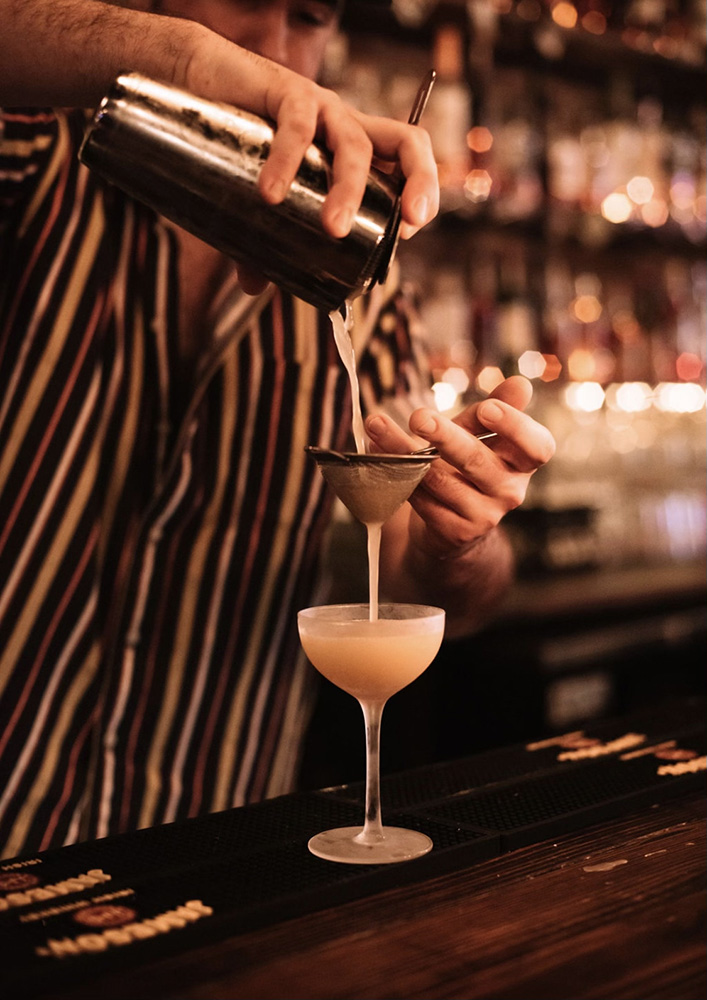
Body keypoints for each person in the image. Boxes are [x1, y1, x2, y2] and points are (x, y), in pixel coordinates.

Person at [0, 0, 556, 860]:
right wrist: (179, 61)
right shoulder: (43, 154)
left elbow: (441, 577)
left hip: (219, 856)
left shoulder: (362, 287)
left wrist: (460, 543)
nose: (272, 50)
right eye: (241, 0)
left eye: (306, 15)